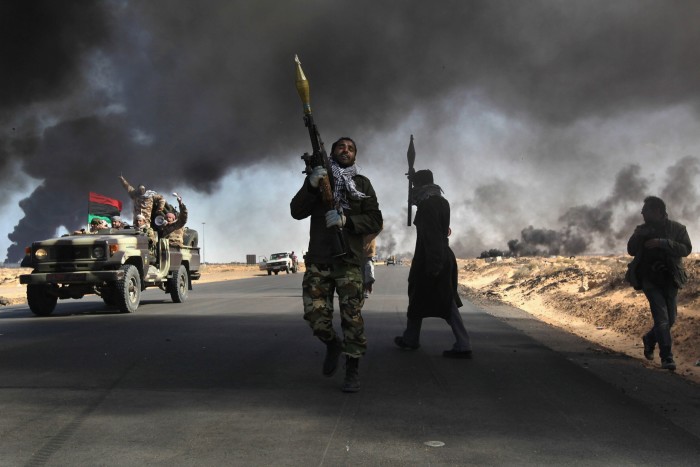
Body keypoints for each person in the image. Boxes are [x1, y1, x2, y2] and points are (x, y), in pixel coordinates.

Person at [290, 137, 383, 393]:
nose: (346, 150)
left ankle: (352, 369)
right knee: (315, 317)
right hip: (320, 260)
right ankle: (332, 343)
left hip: (349, 261)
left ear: (355, 156)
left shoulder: (362, 184)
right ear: (332, 152)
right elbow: (296, 211)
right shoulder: (319, 181)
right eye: (341, 147)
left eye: (351, 148)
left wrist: (347, 221)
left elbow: (375, 219)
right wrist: (310, 186)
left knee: (352, 319)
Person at [394, 169, 472, 358]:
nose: (412, 191)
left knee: (442, 302)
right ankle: (411, 338)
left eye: (414, 186)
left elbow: (433, 237)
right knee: (423, 300)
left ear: (419, 186)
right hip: (439, 256)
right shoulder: (440, 201)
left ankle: (462, 345)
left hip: (431, 258)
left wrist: (434, 266)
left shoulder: (428, 205)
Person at [627, 196, 691, 371]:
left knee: (670, 320)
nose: (642, 213)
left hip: (671, 278)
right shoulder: (642, 230)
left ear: (657, 211)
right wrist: (636, 236)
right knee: (662, 319)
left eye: (645, 210)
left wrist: (662, 243)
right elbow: (631, 250)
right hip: (650, 280)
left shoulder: (678, 229)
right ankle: (667, 358)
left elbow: (686, 249)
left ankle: (649, 339)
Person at [362, 232, 381, 298]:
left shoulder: (371, 229)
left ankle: (367, 288)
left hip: (368, 254)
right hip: (357, 252)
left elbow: (380, 226)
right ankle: (362, 289)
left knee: (368, 270)